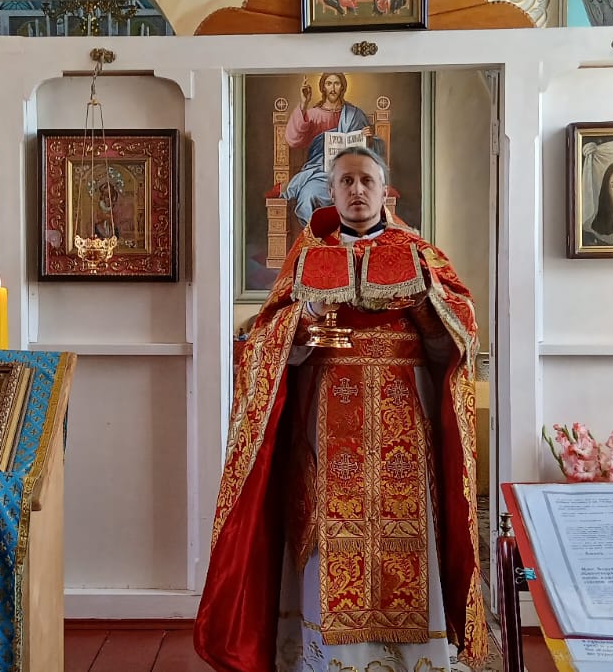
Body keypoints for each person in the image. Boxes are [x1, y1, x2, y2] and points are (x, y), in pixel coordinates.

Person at [197, 146, 489, 671]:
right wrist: (305, 315)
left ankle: (413, 660)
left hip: (404, 413)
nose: (357, 190)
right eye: (346, 182)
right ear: (330, 192)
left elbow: (457, 340)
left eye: (366, 181)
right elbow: (264, 342)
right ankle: (327, 660)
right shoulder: (307, 255)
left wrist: (426, 307)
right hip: (326, 417)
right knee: (325, 531)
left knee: (409, 530)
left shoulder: (419, 253)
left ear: (385, 191)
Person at [281, 73, 382, 225]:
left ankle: (350, 236)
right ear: (323, 87)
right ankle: (316, 236)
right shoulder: (313, 114)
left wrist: (369, 138)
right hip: (319, 172)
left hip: (351, 172)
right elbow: (293, 139)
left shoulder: (354, 114)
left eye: (336, 83)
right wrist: (303, 104)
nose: (333, 88)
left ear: (343, 87)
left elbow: (372, 150)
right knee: (309, 196)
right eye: (329, 84)